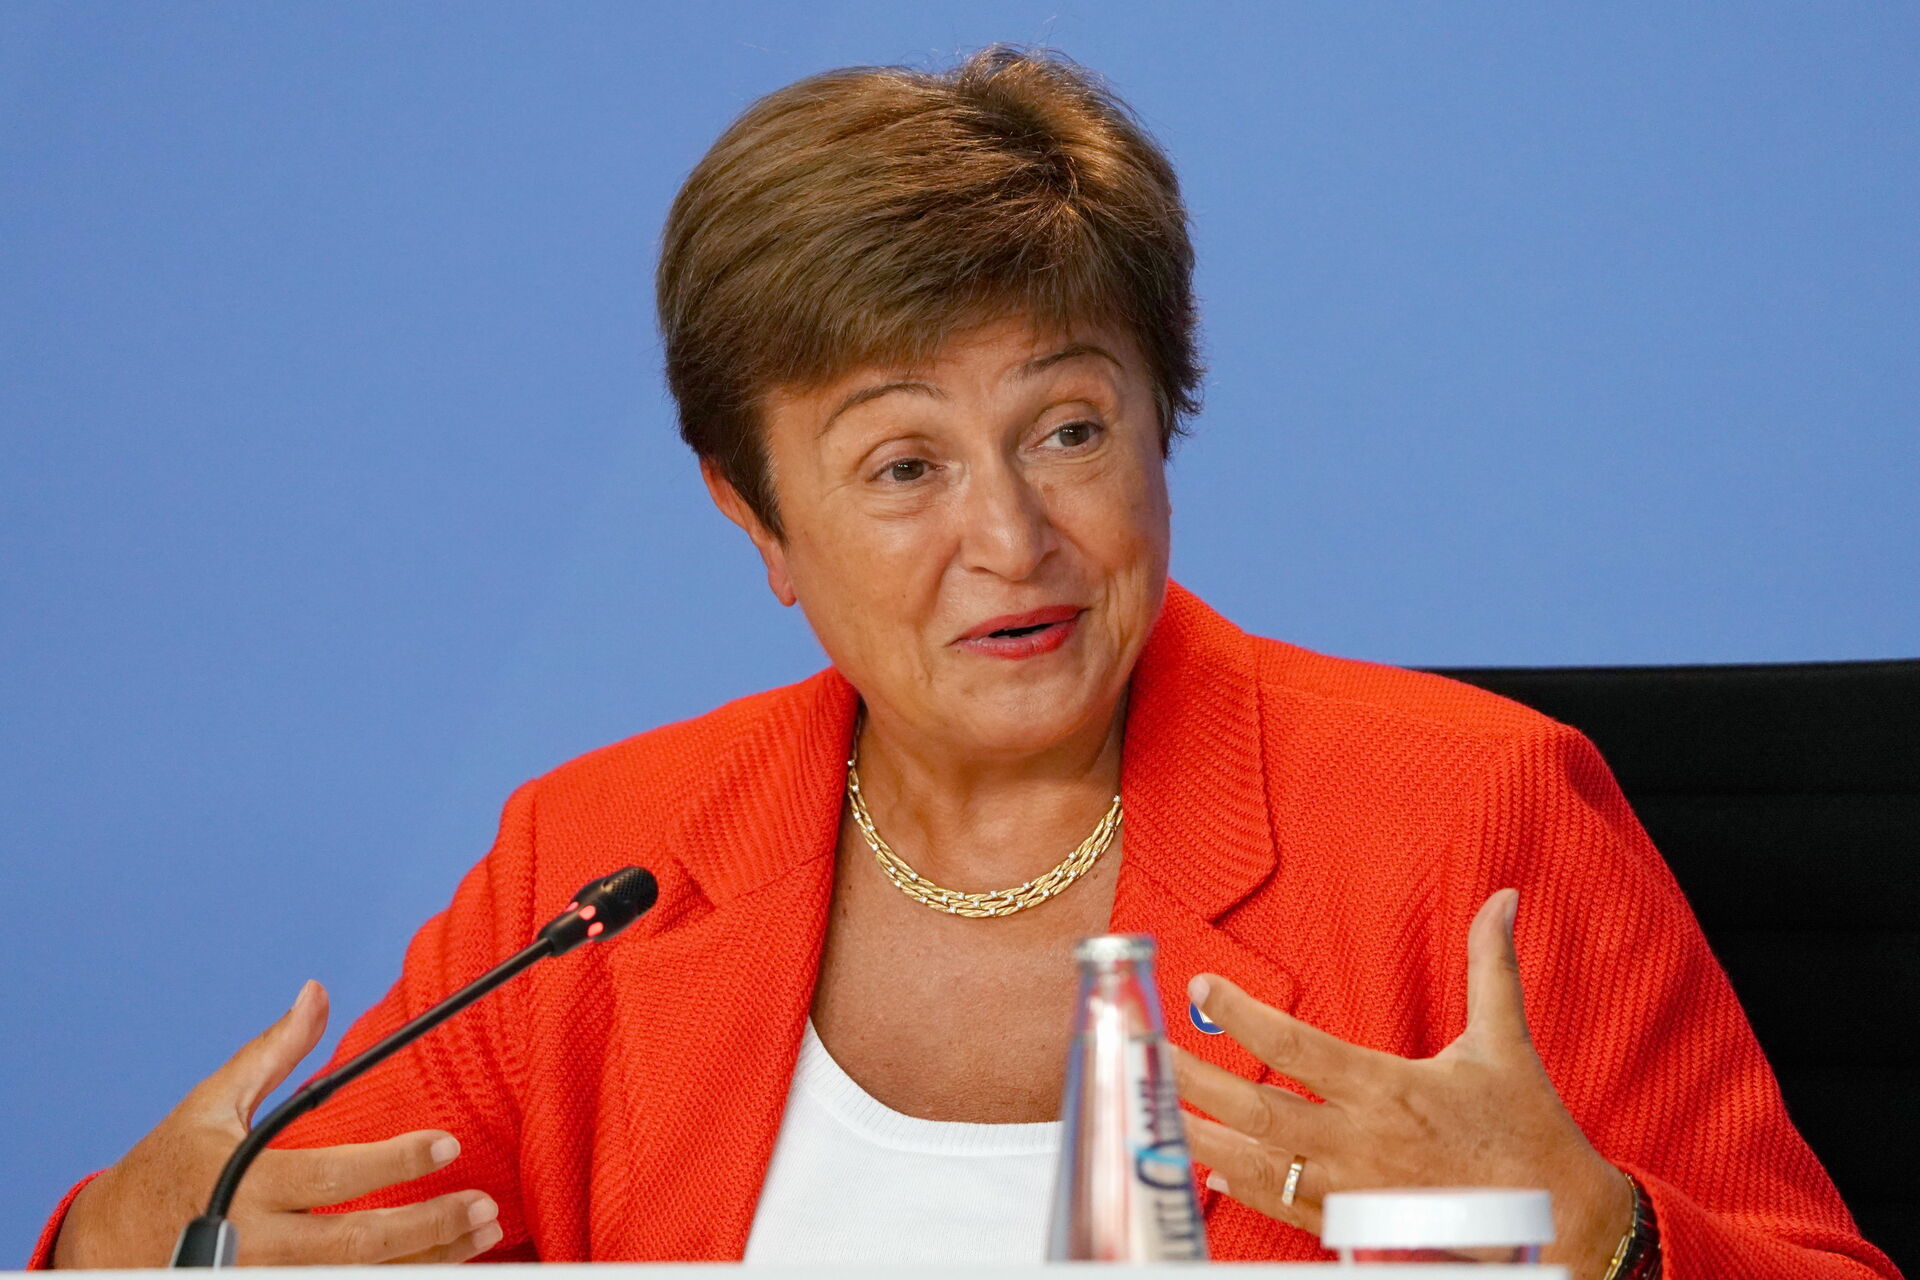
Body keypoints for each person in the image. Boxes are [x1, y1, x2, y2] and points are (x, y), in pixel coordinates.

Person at [35, 46, 1898, 1278]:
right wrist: (127, 1248)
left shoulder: (1461, 814)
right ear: (758, 523)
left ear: (1163, 424)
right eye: (903, 467)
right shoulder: (604, 868)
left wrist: (1610, 1243)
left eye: (1070, 430)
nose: (1013, 539)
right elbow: (280, 1238)